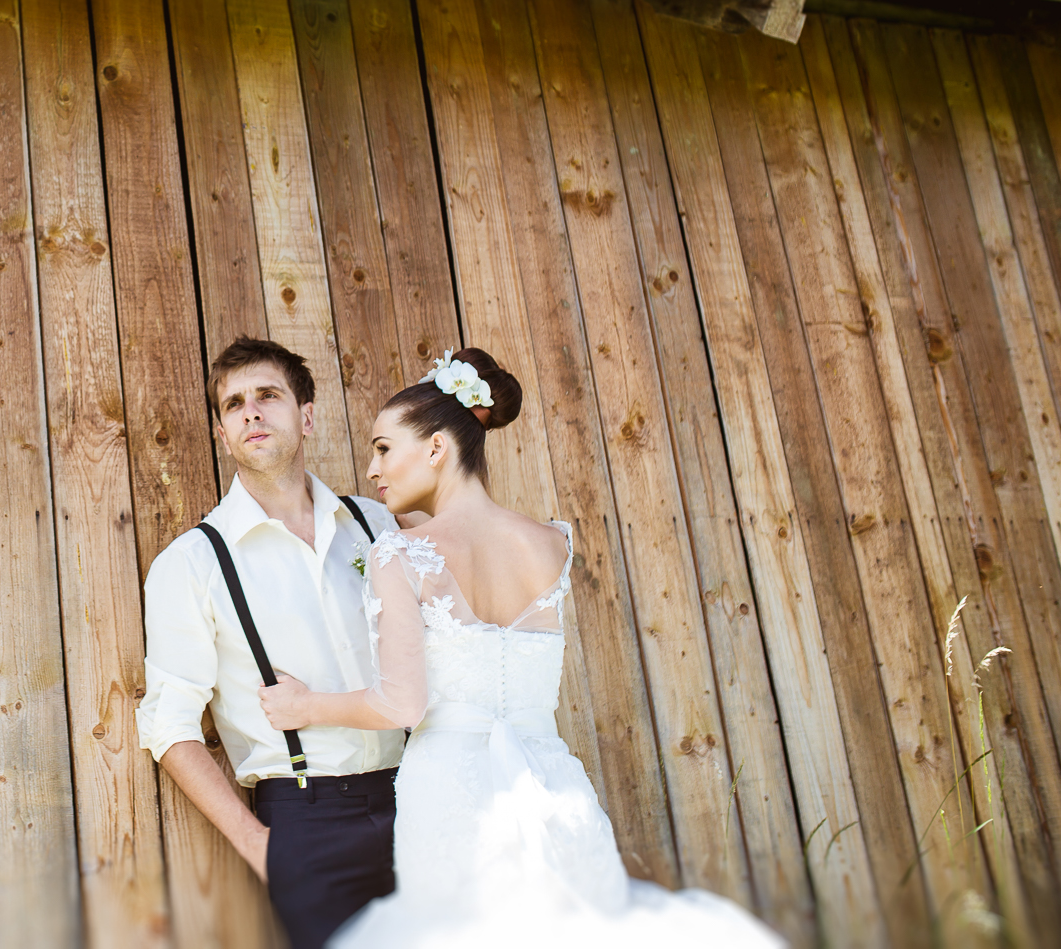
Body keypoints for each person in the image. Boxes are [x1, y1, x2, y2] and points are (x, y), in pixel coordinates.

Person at [259, 348, 782, 947]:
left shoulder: (400, 553)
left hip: (454, 796)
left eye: (383, 447)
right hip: (551, 784)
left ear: (435, 448)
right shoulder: (551, 544)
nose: (373, 469)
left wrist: (305, 708)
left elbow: (403, 706)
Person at [136, 337, 403, 949]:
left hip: (423, 794)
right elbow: (169, 723)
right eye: (234, 405)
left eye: (267, 396)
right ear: (224, 434)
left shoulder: (376, 526)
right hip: (308, 824)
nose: (251, 412)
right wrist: (261, 846)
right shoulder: (194, 563)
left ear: (306, 415)